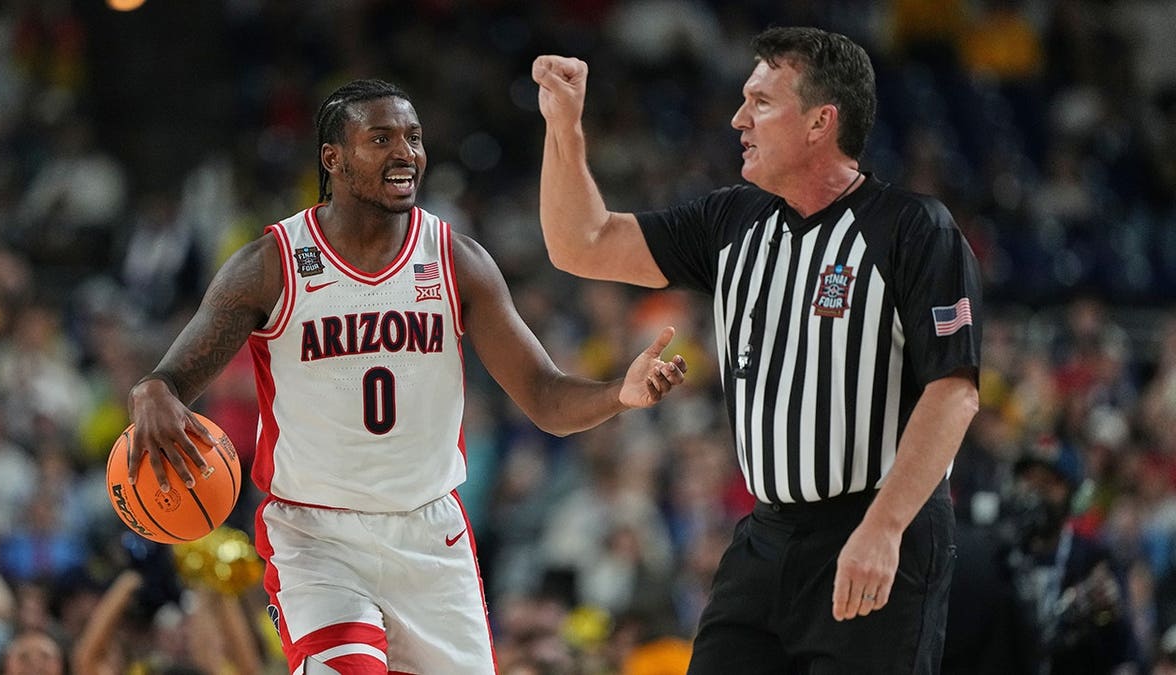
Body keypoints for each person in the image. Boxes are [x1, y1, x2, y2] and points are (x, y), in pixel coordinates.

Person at [126, 78, 688, 675]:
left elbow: (545, 398)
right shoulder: (273, 264)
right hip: (318, 537)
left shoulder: (456, 261)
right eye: (382, 138)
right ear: (333, 158)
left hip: (430, 535)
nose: (406, 152)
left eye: (414, 138)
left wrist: (618, 396)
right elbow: (172, 378)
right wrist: (151, 391)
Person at [533, 26, 982, 674]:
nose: (738, 118)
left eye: (761, 101)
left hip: (878, 525)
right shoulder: (732, 221)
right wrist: (564, 128)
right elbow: (582, 242)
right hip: (765, 536)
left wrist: (884, 528)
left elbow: (955, 391)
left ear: (819, 122)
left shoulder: (913, 228)